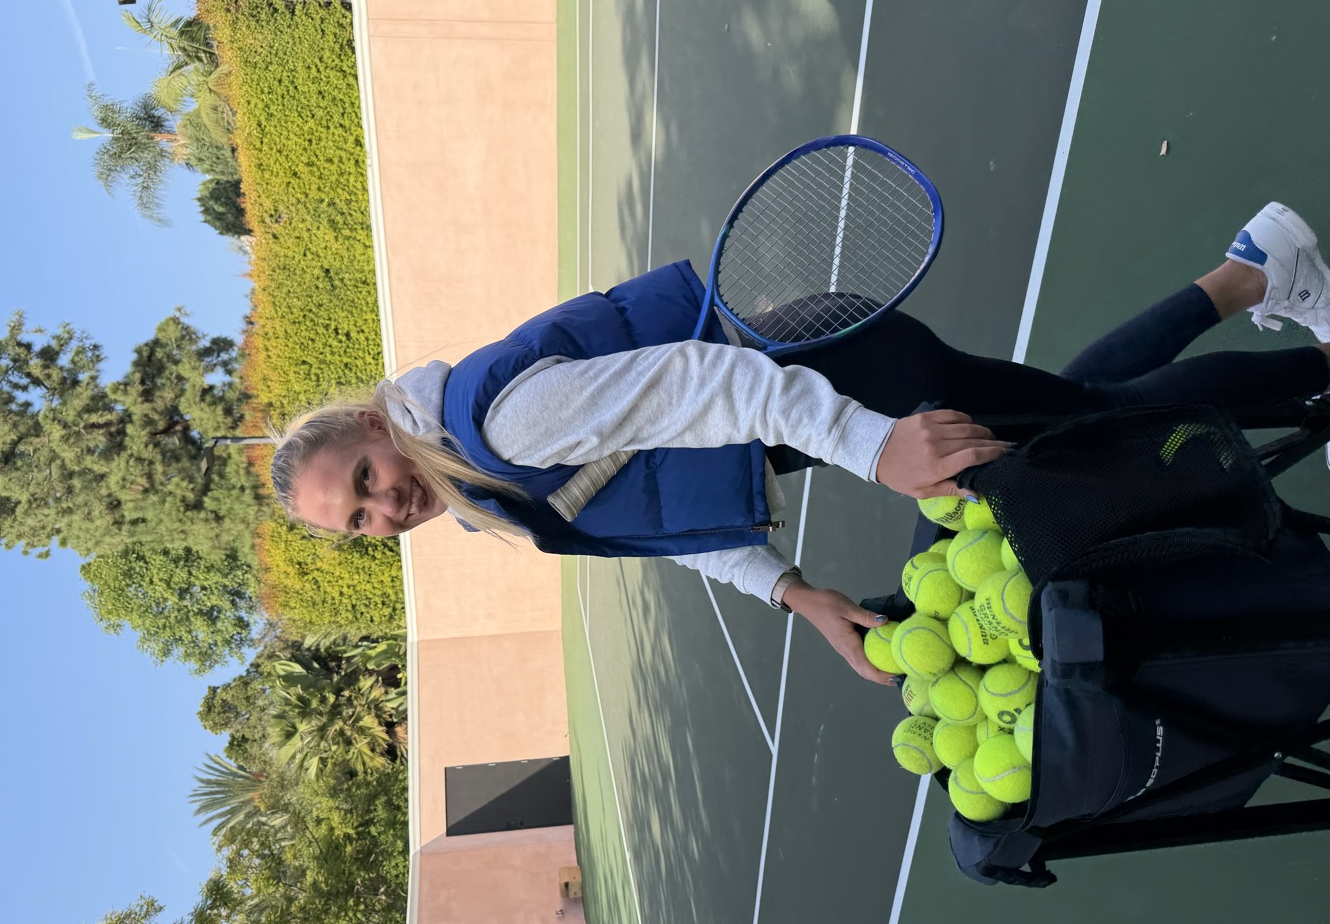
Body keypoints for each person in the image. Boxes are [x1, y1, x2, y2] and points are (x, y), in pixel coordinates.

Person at [271, 203, 1330, 683]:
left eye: (362, 480)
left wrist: (874, 450)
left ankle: (1283, 311)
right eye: (359, 521)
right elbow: (648, 512)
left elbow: (710, 379)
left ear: (372, 424)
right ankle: (1254, 269)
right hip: (814, 389)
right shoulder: (472, 484)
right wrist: (790, 591)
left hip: (827, 371)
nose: (382, 509)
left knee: (1103, 432)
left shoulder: (495, 428)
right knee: (1078, 412)